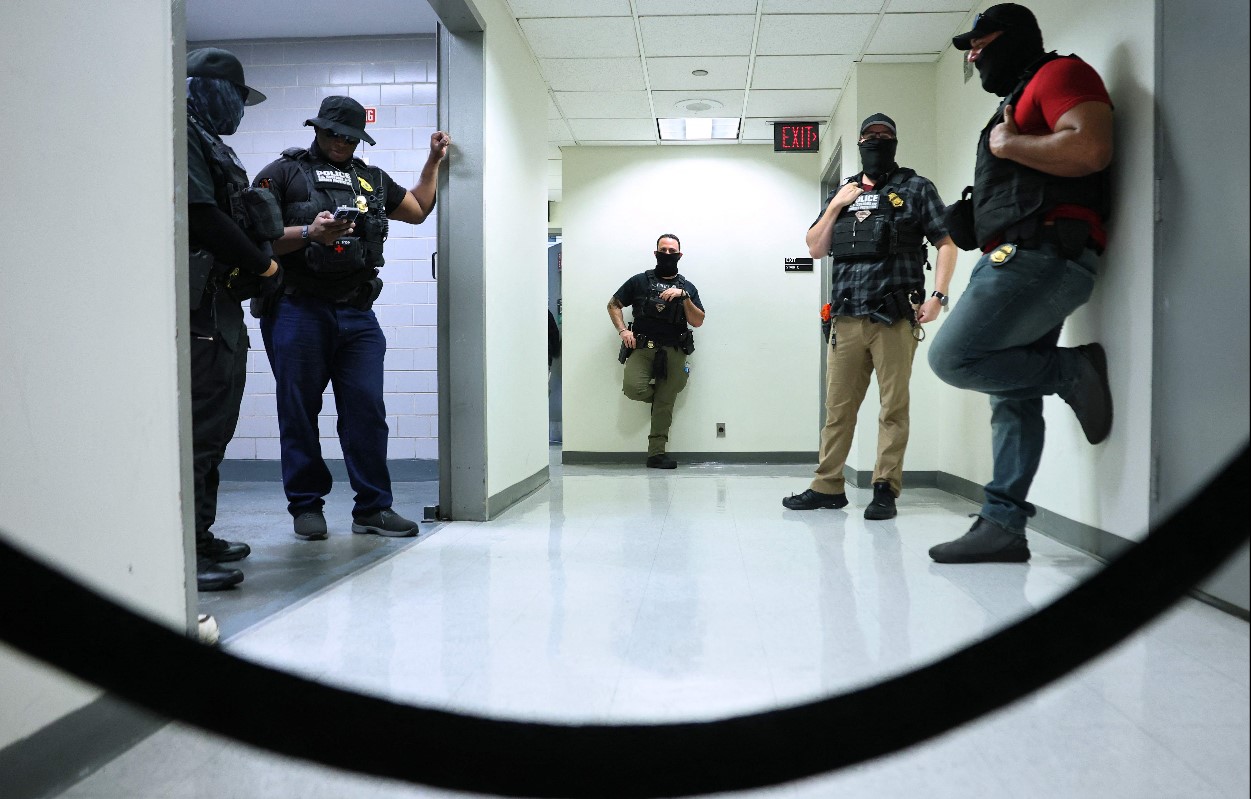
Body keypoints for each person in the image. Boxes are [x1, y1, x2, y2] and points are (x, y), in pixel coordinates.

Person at [927, 3, 1114, 563]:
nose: (975, 56)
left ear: (1016, 37)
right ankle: (1004, 525)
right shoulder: (1013, 103)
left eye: (981, 43)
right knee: (1011, 395)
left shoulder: (1059, 74)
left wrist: (1009, 148)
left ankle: (1070, 370)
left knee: (952, 359)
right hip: (1024, 255)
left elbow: (1090, 147)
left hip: (1039, 258)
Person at [252, 96, 450, 540]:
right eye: (333, 133)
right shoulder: (281, 173)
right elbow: (253, 240)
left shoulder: (371, 179)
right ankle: (306, 507)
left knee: (366, 411)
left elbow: (418, 210)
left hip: (358, 314)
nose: (340, 142)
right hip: (297, 308)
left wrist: (432, 161)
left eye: (350, 136)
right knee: (298, 412)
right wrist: (309, 232)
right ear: (317, 129)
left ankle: (373, 509)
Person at [783, 114, 957, 520]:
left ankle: (884, 489)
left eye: (885, 136)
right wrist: (836, 206)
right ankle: (827, 486)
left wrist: (939, 296)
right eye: (870, 136)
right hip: (846, 318)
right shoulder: (843, 192)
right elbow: (814, 247)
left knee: (892, 407)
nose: (876, 141)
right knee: (838, 409)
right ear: (860, 142)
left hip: (894, 317)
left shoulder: (916, 187)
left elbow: (946, 242)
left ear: (894, 142)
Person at [185, 48, 282, 590]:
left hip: (222, 303)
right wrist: (263, 261)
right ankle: (183, 551)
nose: (241, 114)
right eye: (237, 101)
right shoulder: (184, 136)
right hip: (200, 303)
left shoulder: (210, 141)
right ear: (210, 90)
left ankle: (200, 536)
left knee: (217, 423)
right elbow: (202, 216)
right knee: (200, 426)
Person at [608, 234, 706, 469]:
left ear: (680, 255)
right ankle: (663, 399)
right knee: (634, 388)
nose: (668, 255)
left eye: (673, 251)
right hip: (642, 347)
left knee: (668, 396)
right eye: (664, 250)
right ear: (656, 253)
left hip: (674, 349)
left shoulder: (687, 287)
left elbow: (698, 320)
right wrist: (623, 331)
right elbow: (613, 305)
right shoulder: (639, 281)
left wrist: (684, 297)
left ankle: (656, 454)